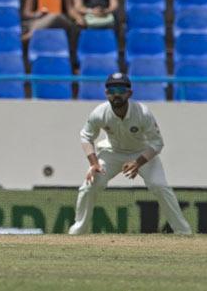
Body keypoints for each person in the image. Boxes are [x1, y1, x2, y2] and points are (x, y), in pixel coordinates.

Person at [69, 73, 191, 235]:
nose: (116, 94)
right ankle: (78, 230)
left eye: (121, 89)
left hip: (141, 153)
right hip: (112, 152)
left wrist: (138, 162)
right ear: (106, 94)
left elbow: (157, 143)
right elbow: (86, 136)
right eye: (112, 90)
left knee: (159, 185)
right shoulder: (100, 113)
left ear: (129, 93)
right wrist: (94, 163)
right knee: (89, 185)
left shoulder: (142, 113)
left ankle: (183, 232)